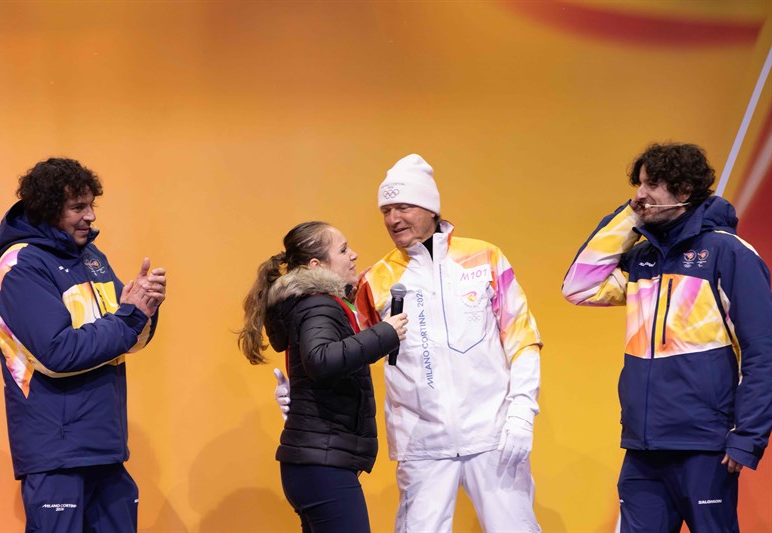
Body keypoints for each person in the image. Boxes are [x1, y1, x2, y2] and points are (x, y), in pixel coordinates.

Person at [561, 142, 772, 532]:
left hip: (705, 445)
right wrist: (630, 216)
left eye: (652, 185)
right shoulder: (643, 258)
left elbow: (764, 351)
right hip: (643, 446)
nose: (640, 194)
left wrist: (748, 436)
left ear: (684, 190)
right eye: (638, 185)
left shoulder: (727, 252)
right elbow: (578, 287)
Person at [353, 154, 543, 532]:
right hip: (421, 443)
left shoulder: (485, 258)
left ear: (430, 208)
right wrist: (303, 396)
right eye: (386, 210)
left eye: (403, 206)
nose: (393, 219)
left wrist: (522, 412)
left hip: (492, 434)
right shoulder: (376, 278)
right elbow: (350, 352)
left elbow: (523, 340)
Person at [0, 157, 167, 532]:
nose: (90, 217)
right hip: (57, 455)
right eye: (78, 207)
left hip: (106, 448)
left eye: (91, 205)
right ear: (49, 209)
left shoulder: (91, 258)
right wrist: (130, 317)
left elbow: (124, 338)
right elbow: (59, 353)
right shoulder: (20, 266)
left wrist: (145, 307)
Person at [239, 221, 407, 533]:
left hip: (313, 464)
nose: (353, 255)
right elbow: (321, 359)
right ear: (317, 265)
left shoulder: (311, 304)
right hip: (323, 465)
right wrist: (386, 333)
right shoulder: (318, 304)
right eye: (343, 250)